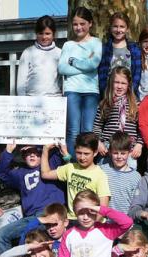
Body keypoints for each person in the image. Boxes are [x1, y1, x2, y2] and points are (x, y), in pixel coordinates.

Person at [0, 144, 65, 257]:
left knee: (29, 241)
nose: (32, 156)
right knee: (2, 234)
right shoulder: (21, 173)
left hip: (50, 214)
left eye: (35, 153)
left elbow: (57, 146)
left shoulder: (51, 164)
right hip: (31, 217)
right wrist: (9, 151)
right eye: (27, 153)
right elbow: (2, 173)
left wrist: (43, 148)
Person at [58, 6, 102, 156]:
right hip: (72, 91)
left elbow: (93, 64)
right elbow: (62, 69)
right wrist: (85, 65)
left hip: (91, 92)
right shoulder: (68, 45)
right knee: (73, 130)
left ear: (90, 23)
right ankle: (71, 163)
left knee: (88, 130)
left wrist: (73, 61)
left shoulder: (96, 43)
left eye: (82, 23)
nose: (78, 27)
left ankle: (88, 164)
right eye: (75, 24)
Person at [41, 132, 110, 219]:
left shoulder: (100, 175)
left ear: (95, 152)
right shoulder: (70, 168)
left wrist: (91, 226)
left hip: (90, 222)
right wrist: (45, 150)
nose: (82, 157)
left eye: (86, 154)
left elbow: (103, 208)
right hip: (72, 219)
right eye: (78, 153)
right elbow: (45, 174)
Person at [93, 67, 143, 169]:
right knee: (104, 177)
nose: (119, 86)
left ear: (128, 85)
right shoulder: (105, 103)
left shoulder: (137, 105)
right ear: (111, 83)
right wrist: (99, 142)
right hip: (107, 149)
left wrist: (139, 144)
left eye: (123, 83)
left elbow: (142, 128)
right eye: (116, 82)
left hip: (129, 150)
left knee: (128, 179)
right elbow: (97, 126)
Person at [97, 12, 142, 98]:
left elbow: (137, 74)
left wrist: (131, 92)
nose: (118, 30)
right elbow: (101, 74)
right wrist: (106, 93)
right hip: (109, 96)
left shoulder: (134, 49)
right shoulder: (104, 49)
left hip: (129, 96)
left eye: (122, 27)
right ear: (110, 28)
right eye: (115, 26)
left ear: (127, 29)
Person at [16, 15, 61, 96]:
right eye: (41, 33)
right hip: (31, 101)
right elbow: (21, 83)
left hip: (55, 100)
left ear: (53, 34)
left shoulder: (59, 53)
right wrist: (22, 101)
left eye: (47, 33)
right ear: (36, 34)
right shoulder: (28, 52)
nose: (44, 37)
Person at [98, 132, 141, 214]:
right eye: (115, 153)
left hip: (125, 220)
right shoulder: (102, 170)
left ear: (129, 152)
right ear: (110, 152)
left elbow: (136, 203)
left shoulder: (136, 176)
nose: (119, 157)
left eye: (123, 153)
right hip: (104, 221)